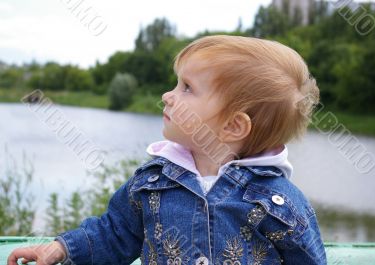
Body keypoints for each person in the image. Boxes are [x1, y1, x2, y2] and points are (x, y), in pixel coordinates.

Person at [8, 35, 327, 265]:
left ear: (233, 126)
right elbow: (116, 234)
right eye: (177, 84)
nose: (167, 95)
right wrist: (61, 249)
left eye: (187, 88)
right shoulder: (152, 183)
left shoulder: (278, 203)